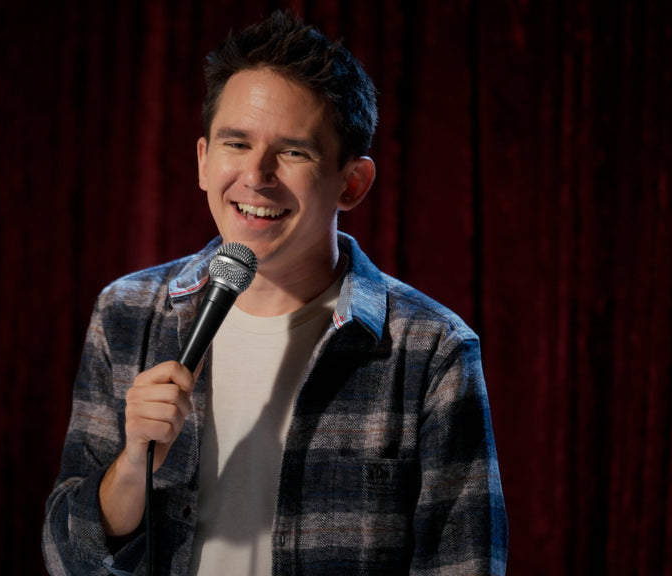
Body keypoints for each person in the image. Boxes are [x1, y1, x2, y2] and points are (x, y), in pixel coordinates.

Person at [43, 11, 507, 576]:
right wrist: (133, 468)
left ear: (352, 183)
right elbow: (66, 558)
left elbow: (465, 564)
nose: (256, 175)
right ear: (203, 161)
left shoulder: (431, 351)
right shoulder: (128, 313)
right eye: (236, 143)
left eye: (293, 152)